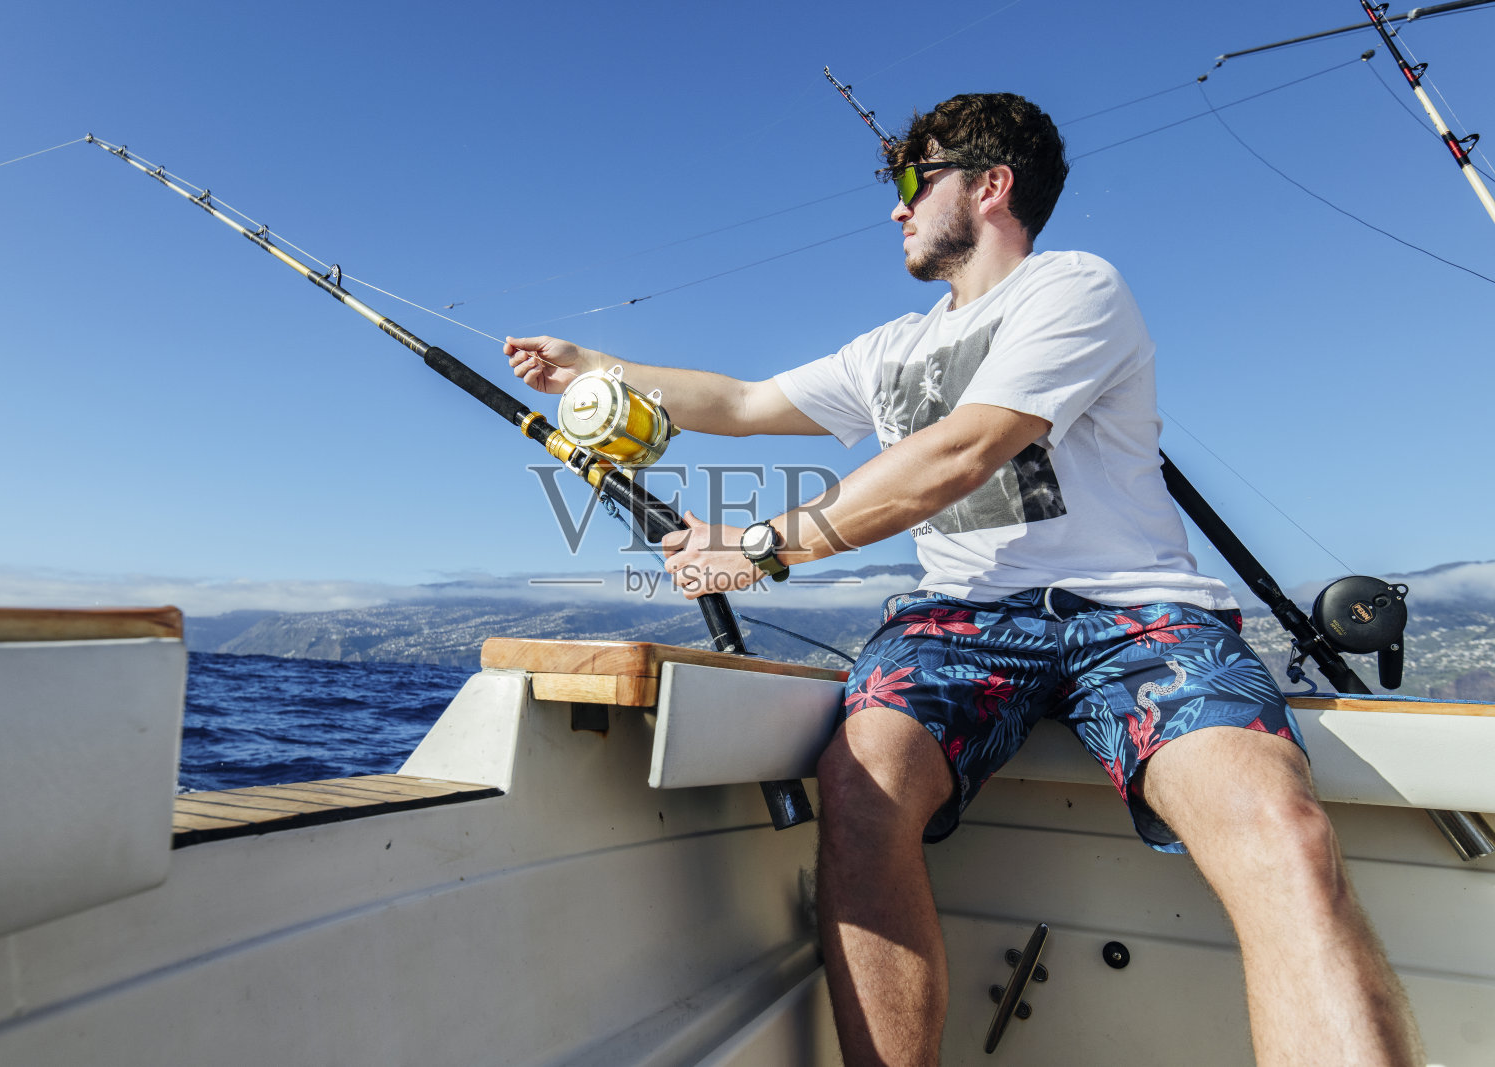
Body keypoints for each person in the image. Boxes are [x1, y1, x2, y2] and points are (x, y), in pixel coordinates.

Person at [505, 93, 1422, 1067]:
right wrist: (600, 366)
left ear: (991, 186)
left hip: (1140, 620)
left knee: (1276, 822)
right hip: (959, 622)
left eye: (912, 180)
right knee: (860, 788)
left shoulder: (1074, 288)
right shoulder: (886, 350)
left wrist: (765, 545)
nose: (895, 208)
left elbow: (964, 450)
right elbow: (739, 399)